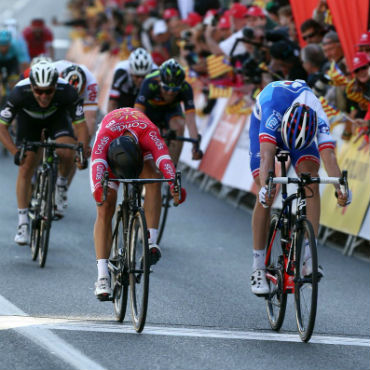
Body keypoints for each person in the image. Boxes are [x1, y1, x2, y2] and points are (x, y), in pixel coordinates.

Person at [248, 79, 351, 295]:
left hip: (300, 132)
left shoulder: (317, 111)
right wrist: (266, 187)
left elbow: (328, 154)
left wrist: (340, 187)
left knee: (310, 177)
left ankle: (307, 255)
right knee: (268, 190)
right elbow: (267, 155)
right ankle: (257, 267)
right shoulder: (272, 109)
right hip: (267, 126)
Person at [90, 107, 186, 299]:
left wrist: (175, 186)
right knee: (105, 207)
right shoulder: (105, 136)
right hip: (110, 159)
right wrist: (100, 192)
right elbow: (96, 166)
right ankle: (102, 276)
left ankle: (151, 240)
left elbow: (164, 159)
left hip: (139, 151)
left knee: (153, 177)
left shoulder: (148, 132)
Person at [0, 61, 89, 244]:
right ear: (31, 86)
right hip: (28, 122)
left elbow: (81, 126)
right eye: (38, 91)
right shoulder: (19, 92)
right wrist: (14, 151)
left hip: (56, 119)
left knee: (67, 151)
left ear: (56, 86)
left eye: (48, 91)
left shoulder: (67, 91)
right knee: (26, 165)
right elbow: (2, 127)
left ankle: (61, 186)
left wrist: (81, 151)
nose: (43, 96)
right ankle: (23, 223)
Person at [54, 60, 98, 139]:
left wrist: (85, 146)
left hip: (76, 100)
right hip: (55, 94)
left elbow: (90, 119)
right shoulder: (53, 71)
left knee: (80, 127)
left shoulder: (91, 83)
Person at [108, 47, 156, 112]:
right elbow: (112, 101)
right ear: (130, 72)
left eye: (144, 76)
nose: (140, 80)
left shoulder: (155, 71)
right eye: (137, 76)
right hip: (125, 98)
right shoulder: (121, 71)